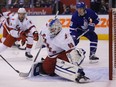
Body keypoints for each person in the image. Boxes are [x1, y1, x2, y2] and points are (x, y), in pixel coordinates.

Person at [30, 18, 90, 83]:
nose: (51, 31)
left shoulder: (63, 36)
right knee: (47, 70)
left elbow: (71, 50)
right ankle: (55, 66)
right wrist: (36, 35)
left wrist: (75, 66)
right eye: (50, 29)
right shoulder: (46, 28)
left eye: (53, 30)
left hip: (62, 54)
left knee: (74, 54)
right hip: (52, 56)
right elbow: (41, 32)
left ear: (58, 28)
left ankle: (78, 72)